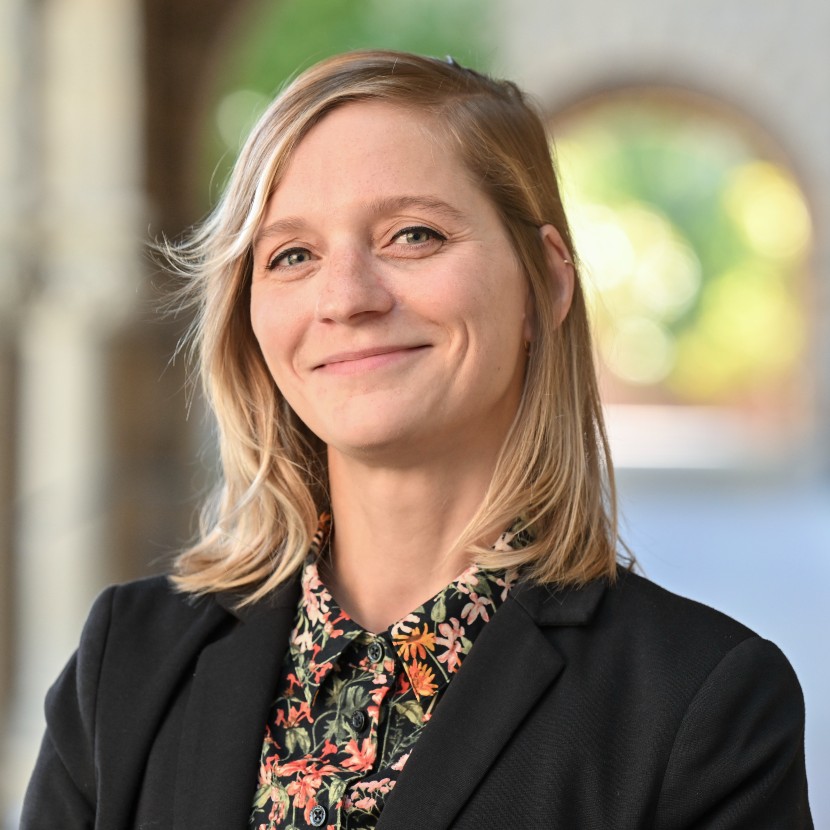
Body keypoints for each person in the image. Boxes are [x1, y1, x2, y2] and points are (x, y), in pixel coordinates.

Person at [21, 50, 812, 829]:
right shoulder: (125, 662)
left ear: (547, 281)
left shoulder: (703, 705)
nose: (347, 297)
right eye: (292, 254)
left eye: (414, 236)